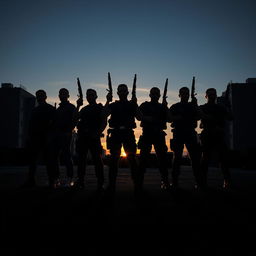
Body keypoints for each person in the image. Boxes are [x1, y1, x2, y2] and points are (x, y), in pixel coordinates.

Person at [104, 84, 141, 194]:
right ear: (117, 93)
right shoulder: (113, 105)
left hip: (128, 133)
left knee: (132, 159)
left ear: (127, 92)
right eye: (120, 91)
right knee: (114, 159)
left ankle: (137, 184)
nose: (122, 92)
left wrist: (136, 103)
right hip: (115, 133)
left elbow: (139, 117)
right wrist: (107, 101)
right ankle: (111, 185)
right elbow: (103, 115)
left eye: (124, 91)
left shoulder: (132, 104)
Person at [138, 87, 170, 190]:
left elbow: (169, 119)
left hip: (159, 135)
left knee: (162, 160)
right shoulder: (145, 105)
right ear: (150, 95)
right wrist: (147, 118)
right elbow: (138, 116)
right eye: (153, 93)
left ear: (159, 95)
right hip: (147, 134)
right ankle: (139, 182)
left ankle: (165, 181)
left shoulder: (162, 106)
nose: (155, 95)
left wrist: (166, 106)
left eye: (157, 93)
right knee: (142, 160)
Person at [169, 87, 202, 189]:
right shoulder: (175, 106)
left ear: (189, 95)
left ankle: (199, 181)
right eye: (182, 93)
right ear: (179, 95)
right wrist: (177, 118)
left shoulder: (193, 106)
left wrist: (195, 104)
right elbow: (168, 118)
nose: (185, 95)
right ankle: (174, 181)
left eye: (186, 93)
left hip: (190, 133)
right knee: (177, 158)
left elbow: (200, 116)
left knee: (195, 158)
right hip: (178, 133)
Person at [199, 88, 233, 189]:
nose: (212, 96)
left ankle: (227, 181)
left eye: (213, 94)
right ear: (206, 96)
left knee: (223, 160)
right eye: (210, 94)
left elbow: (231, 117)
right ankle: (202, 182)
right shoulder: (203, 107)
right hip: (207, 135)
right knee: (205, 160)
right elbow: (197, 116)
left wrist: (228, 107)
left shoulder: (221, 107)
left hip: (218, 135)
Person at [23, 90, 56, 187]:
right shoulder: (35, 110)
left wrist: (50, 136)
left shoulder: (50, 109)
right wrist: (29, 137)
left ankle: (51, 181)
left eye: (41, 95)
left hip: (46, 138)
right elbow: (31, 125)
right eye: (38, 95)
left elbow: (54, 124)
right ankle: (31, 180)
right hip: (35, 138)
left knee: (48, 160)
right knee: (33, 161)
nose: (39, 97)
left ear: (45, 97)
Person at [74, 89, 106, 191]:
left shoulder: (100, 107)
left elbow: (104, 122)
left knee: (97, 160)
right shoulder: (84, 109)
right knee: (81, 160)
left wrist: (97, 133)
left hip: (94, 137)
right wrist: (78, 106)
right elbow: (75, 118)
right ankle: (80, 181)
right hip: (83, 137)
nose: (89, 97)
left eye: (91, 95)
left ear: (96, 96)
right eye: (88, 95)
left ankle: (100, 182)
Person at [49, 88, 78, 188]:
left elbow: (75, 120)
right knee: (54, 157)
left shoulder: (71, 107)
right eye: (61, 94)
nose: (62, 95)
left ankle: (70, 178)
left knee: (67, 156)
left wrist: (69, 131)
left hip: (65, 135)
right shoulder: (58, 109)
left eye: (64, 94)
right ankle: (56, 178)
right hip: (56, 135)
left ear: (68, 96)